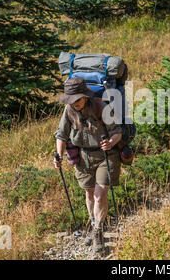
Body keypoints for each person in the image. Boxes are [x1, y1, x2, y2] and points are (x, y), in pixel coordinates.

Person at [53, 77, 122, 253]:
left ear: (85, 96)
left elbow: (117, 132)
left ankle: (98, 232)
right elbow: (61, 134)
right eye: (71, 100)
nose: (74, 103)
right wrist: (59, 155)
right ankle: (93, 225)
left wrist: (111, 143)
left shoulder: (101, 107)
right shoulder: (69, 110)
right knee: (89, 193)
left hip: (106, 155)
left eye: (77, 99)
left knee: (100, 194)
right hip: (83, 157)